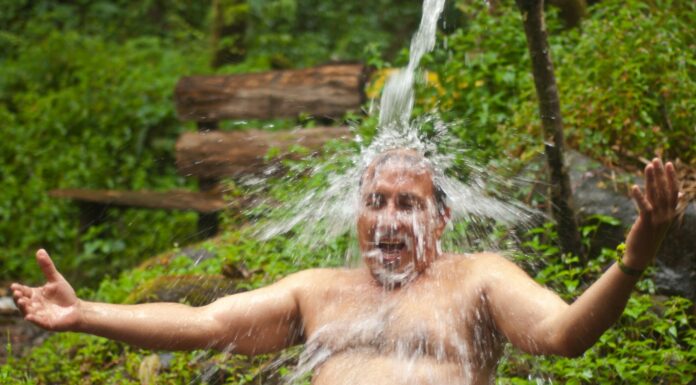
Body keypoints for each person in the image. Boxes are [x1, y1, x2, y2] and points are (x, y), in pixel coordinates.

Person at [11, 149, 681, 384]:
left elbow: (565, 334)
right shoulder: (316, 292)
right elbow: (201, 320)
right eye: (375, 201)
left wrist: (636, 254)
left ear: (440, 219)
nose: (389, 217)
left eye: (408, 204)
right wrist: (86, 313)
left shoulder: (480, 277)